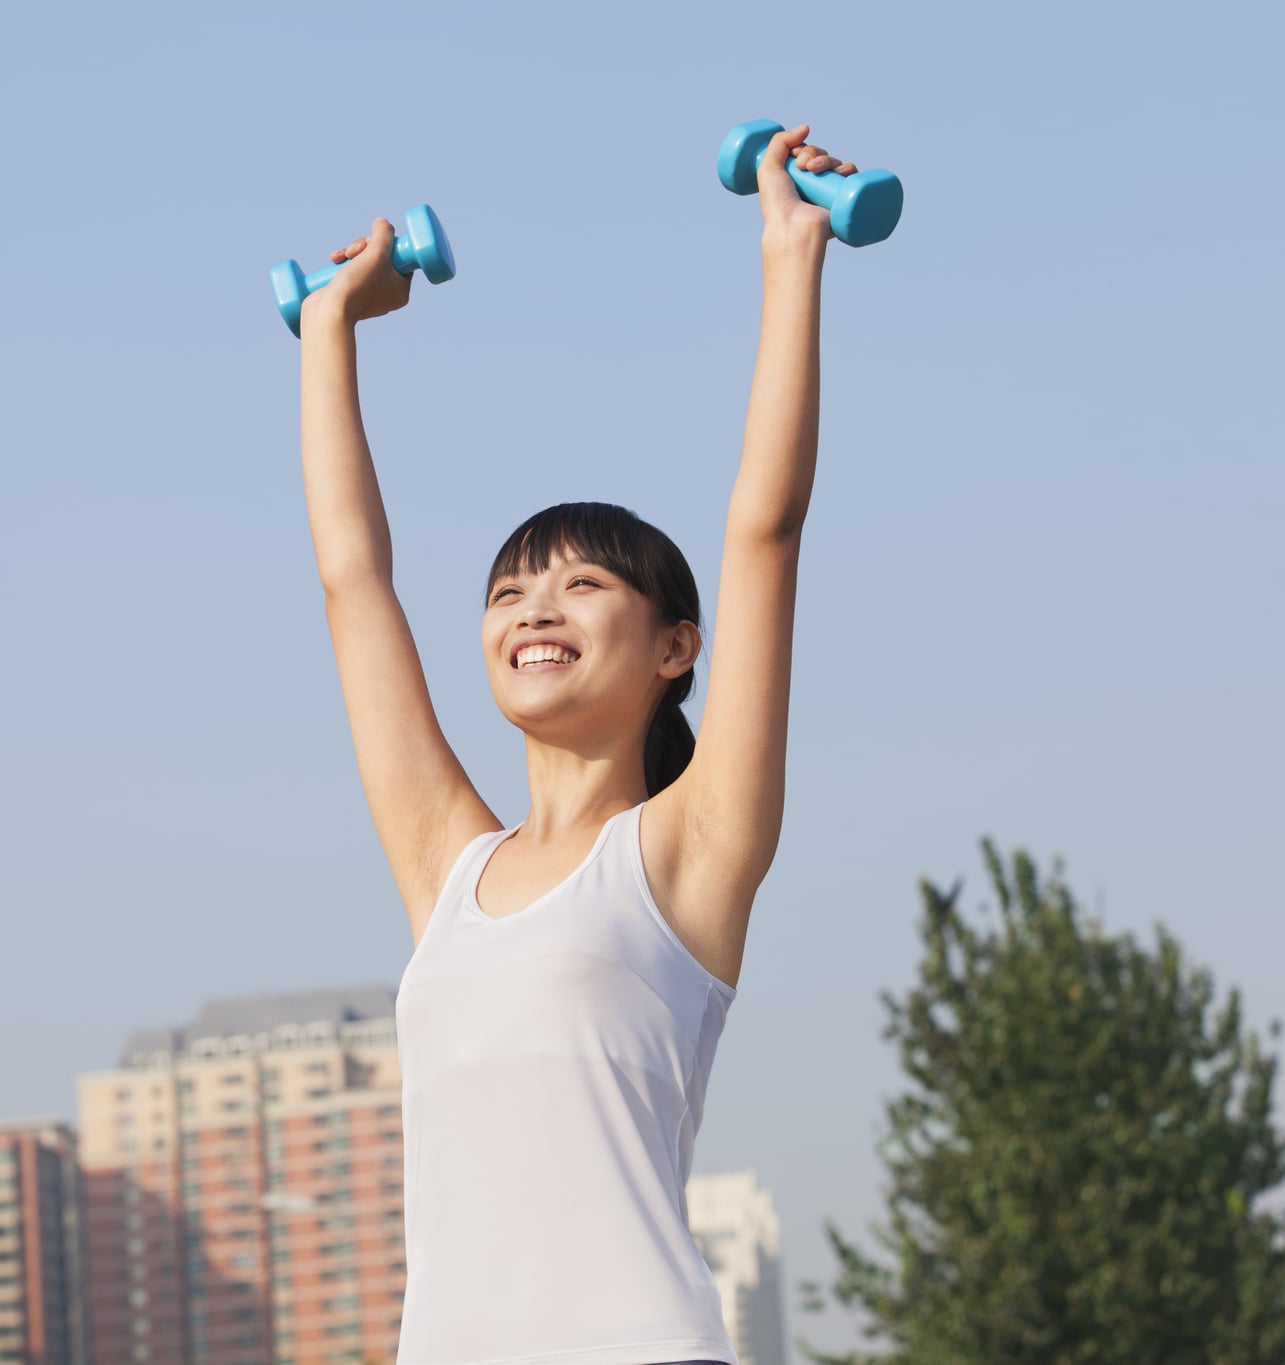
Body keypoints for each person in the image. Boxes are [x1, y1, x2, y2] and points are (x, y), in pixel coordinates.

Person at [296, 123, 856, 1365]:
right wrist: (331, 330)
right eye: (506, 593)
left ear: (673, 649)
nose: (533, 610)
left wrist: (790, 256)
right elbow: (353, 582)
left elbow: (764, 532)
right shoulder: (445, 868)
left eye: (581, 585)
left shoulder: (691, 847)